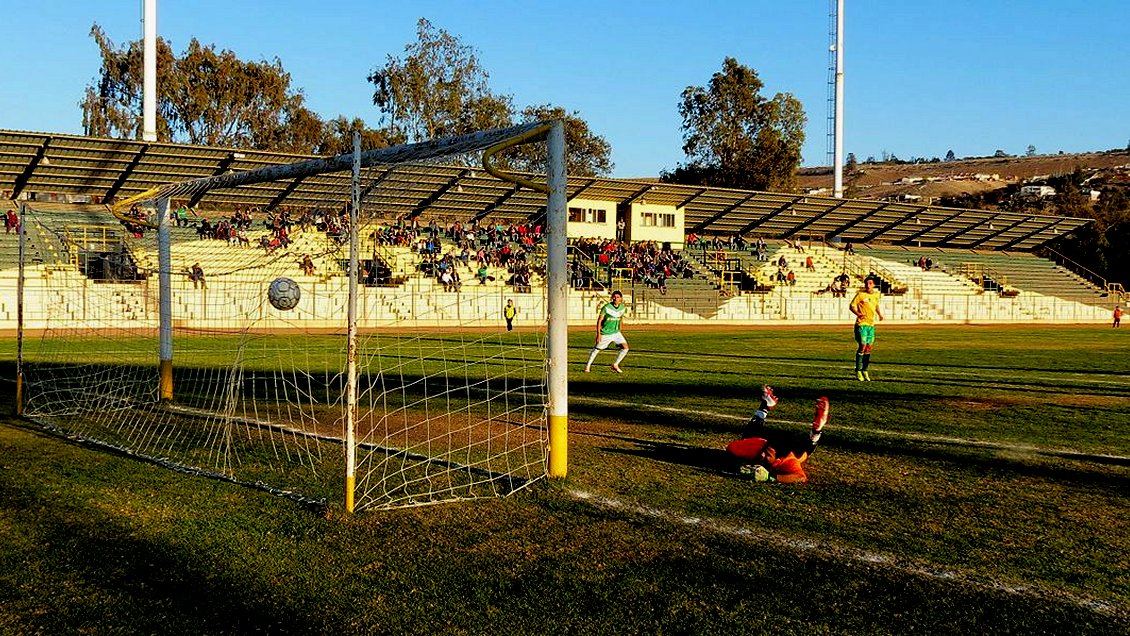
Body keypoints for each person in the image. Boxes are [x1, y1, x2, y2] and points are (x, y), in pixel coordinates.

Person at [726, 386, 829, 484]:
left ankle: (817, 430)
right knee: (750, 435)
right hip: (762, 442)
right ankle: (765, 405)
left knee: (804, 452)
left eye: (768, 455)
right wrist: (743, 463)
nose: (763, 455)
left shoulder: (788, 461)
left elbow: (800, 477)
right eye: (765, 451)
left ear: (778, 458)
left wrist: (770, 477)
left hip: (795, 452)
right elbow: (731, 448)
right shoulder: (759, 446)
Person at [584, 290, 629, 373]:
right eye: (614, 297)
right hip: (606, 333)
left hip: (616, 333)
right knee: (596, 349)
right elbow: (599, 320)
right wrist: (598, 334)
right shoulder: (606, 307)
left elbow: (620, 319)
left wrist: (620, 330)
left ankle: (615, 365)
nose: (616, 299)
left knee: (625, 347)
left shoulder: (622, 308)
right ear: (612, 298)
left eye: (618, 297)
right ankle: (588, 366)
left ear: (621, 299)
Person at [849, 275, 883, 381]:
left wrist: (880, 314)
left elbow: (876, 304)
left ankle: (865, 370)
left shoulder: (877, 295)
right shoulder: (860, 295)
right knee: (862, 346)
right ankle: (858, 370)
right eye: (866, 283)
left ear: (873, 285)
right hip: (861, 324)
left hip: (871, 325)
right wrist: (858, 313)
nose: (868, 285)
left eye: (870, 283)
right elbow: (851, 305)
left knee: (869, 348)